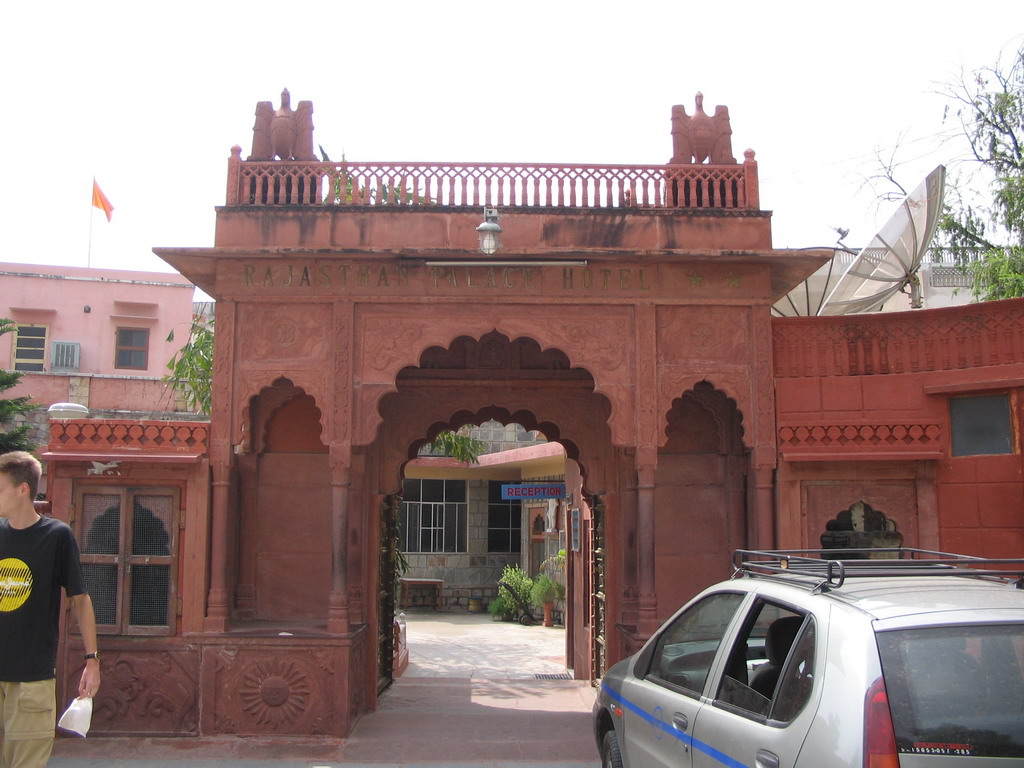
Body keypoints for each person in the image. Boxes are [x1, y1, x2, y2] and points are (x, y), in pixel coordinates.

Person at [0, 451, 100, 767]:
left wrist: (92, 660)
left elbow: (80, 599)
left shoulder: (56, 536)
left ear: (23, 489)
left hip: (32, 679)